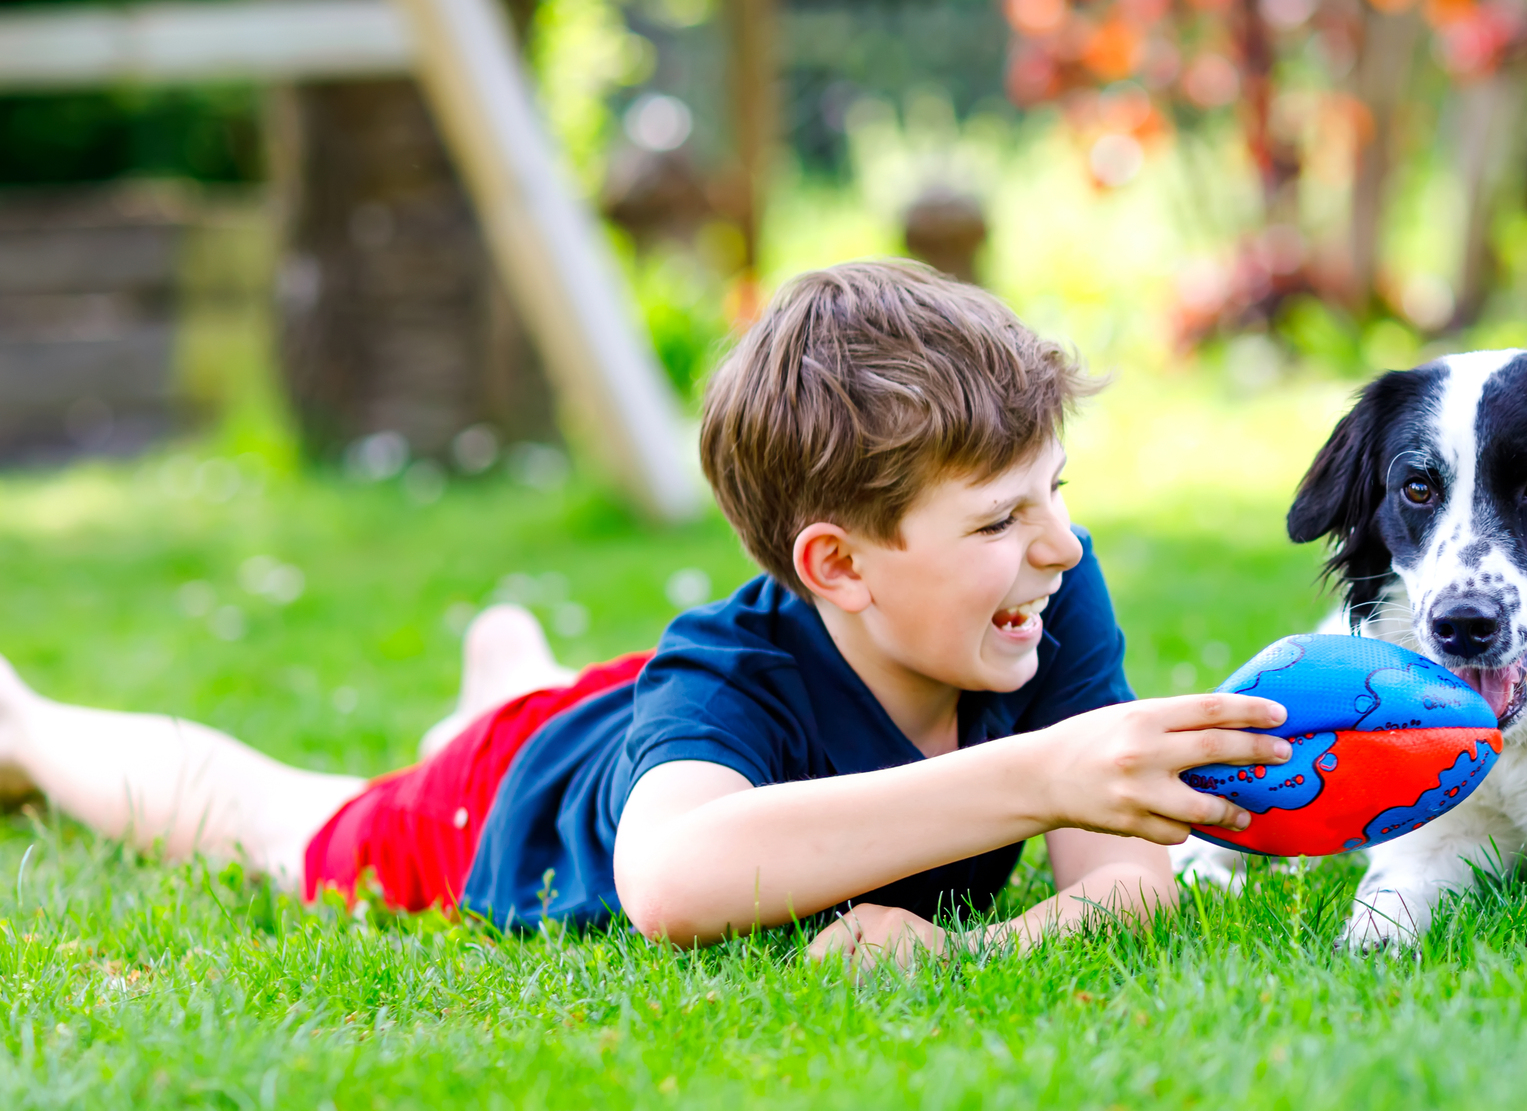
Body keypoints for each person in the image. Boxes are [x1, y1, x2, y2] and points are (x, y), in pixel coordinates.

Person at [0, 261, 1280, 965]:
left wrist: (963, 958)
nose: (1056, 542)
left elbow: (1129, 891)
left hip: (646, 735)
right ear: (836, 564)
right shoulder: (721, 674)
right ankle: (34, 725)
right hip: (513, 802)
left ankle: (508, 674)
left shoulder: (1041, 587)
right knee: (268, 814)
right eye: (999, 519)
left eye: (1052, 491)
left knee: (576, 712)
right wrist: (1042, 770)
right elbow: (671, 877)